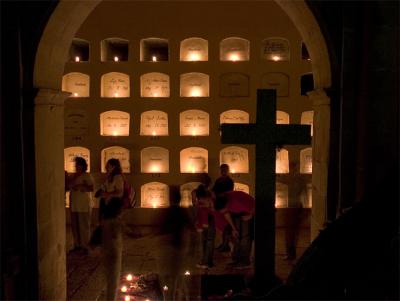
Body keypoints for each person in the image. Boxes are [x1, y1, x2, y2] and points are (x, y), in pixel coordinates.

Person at [97, 158, 124, 301]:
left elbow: (119, 193)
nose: (106, 166)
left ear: (113, 166)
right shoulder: (108, 177)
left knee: (113, 239)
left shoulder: (118, 177)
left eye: (107, 164)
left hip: (113, 211)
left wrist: (107, 194)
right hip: (106, 211)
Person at [214, 190, 255, 269]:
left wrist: (250, 215)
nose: (223, 212)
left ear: (227, 205)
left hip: (248, 211)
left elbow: (254, 203)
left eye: (224, 210)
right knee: (236, 236)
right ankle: (236, 260)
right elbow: (226, 214)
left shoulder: (236, 202)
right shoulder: (223, 202)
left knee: (245, 238)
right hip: (237, 213)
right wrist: (234, 228)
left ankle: (245, 262)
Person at [68, 157, 94, 255]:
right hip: (74, 204)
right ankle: (77, 245)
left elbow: (91, 188)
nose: (76, 166)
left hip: (83, 205)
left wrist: (81, 186)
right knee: (75, 226)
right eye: (76, 165)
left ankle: (85, 246)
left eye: (78, 164)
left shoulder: (87, 176)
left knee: (84, 226)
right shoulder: (72, 176)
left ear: (83, 166)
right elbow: (67, 186)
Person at [212, 164, 234, 252]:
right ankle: (224, 244)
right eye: (222, 170)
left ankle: (226, 245)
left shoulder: (230, 181)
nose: (223, 171)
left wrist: (222, 194)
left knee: (226, 225)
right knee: (222, 226)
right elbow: (214, 190)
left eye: (225, 170)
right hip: (218, 204)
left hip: (225, 204)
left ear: (227, 170)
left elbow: (230, 193)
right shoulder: (218, 180)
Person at [193, 184, 215, 269]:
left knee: (207, 241)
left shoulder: (207, 198)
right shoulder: (208, 196)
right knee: (207, 241)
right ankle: (208, 262)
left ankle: (206, 263)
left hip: (207, 220)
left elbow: (211, 209)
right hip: (207, 220)